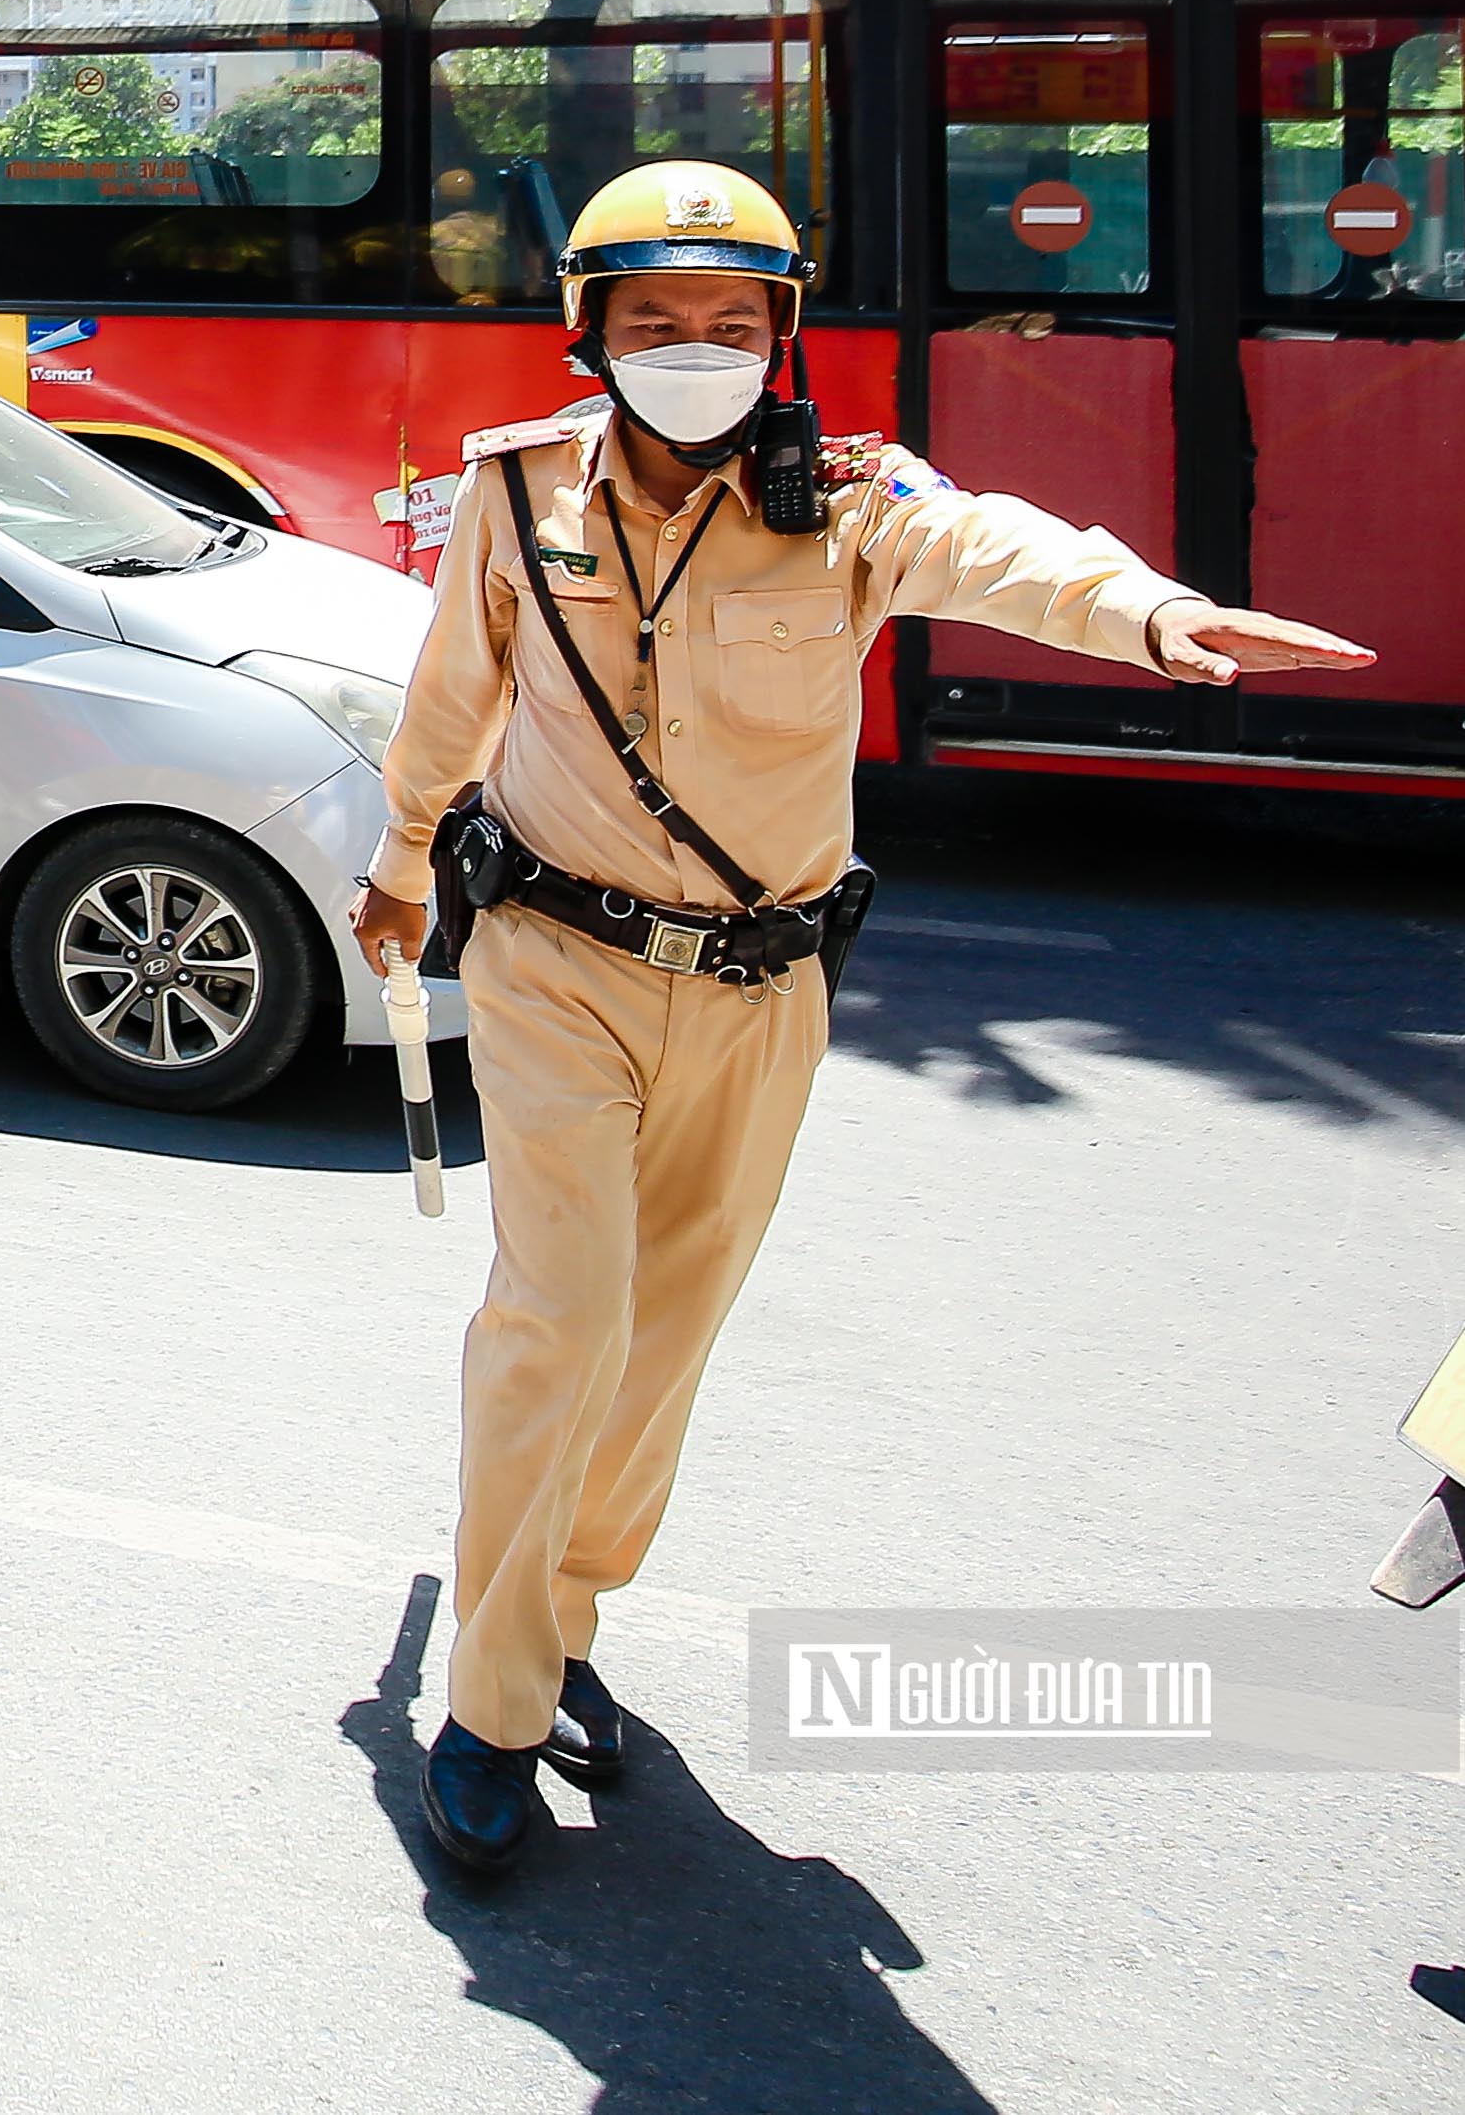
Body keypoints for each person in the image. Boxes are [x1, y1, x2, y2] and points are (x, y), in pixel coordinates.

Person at [347, 162, 1373, 1877]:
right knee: (563, 1315)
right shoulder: (517, 492)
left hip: (762, 992)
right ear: (591, 332)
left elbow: (995, 549)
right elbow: (455, 685)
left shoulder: (848, 494)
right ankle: (493, 1699)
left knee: (662, 1340)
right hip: (556, 962)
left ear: (782, 336)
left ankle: (566, 1611)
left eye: (731, 322)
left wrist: (1153, 613)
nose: (697, 348)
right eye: (658, 320)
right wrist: (395, 862)